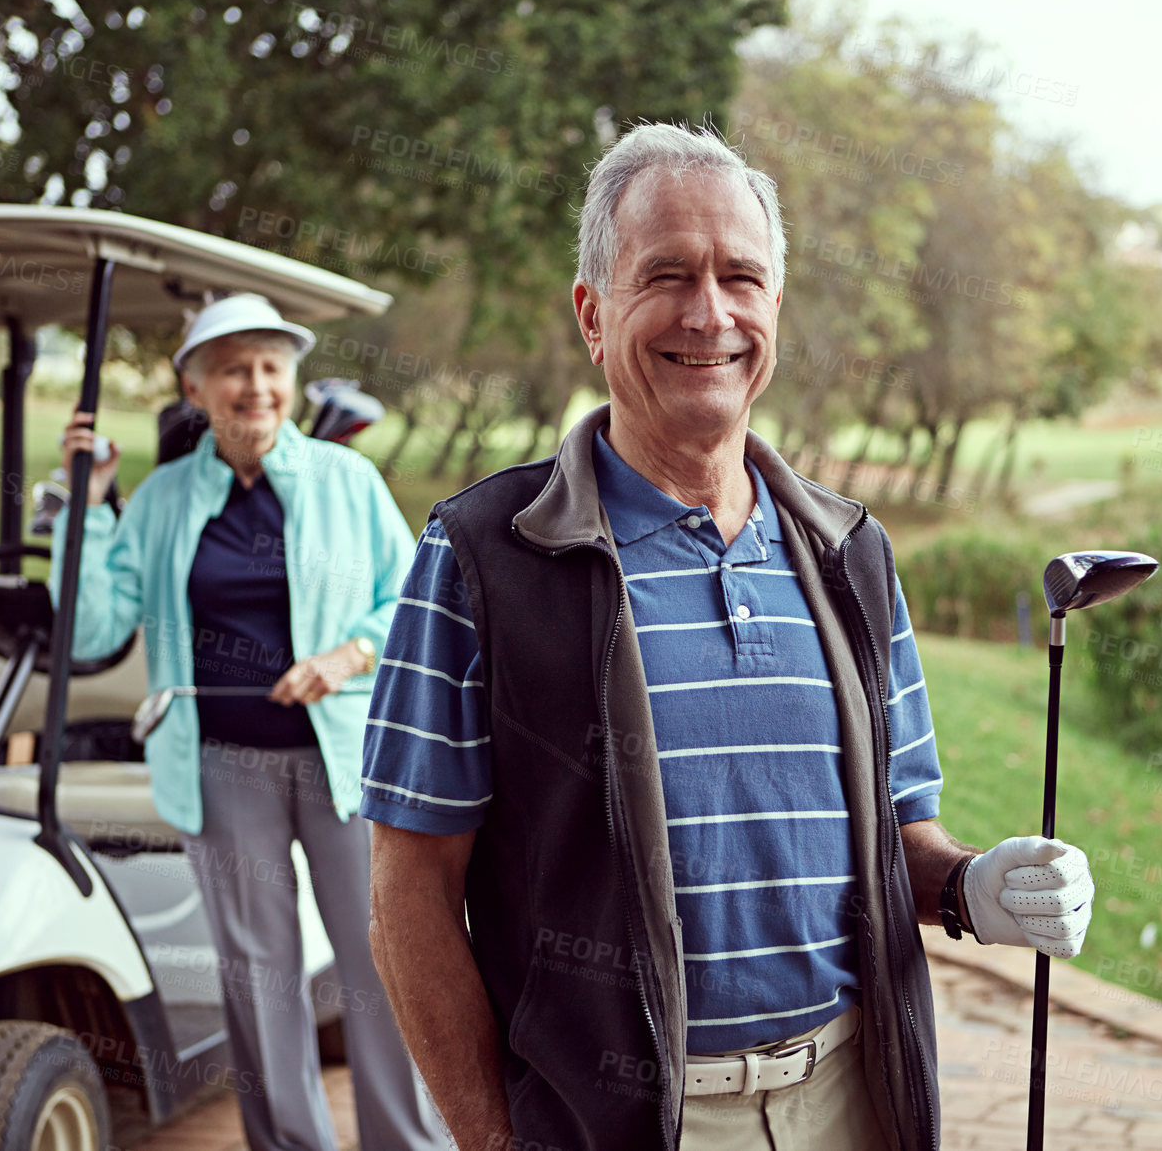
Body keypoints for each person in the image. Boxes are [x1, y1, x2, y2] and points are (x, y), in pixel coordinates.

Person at [361, 124, 1097, 1151]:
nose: (709, 312)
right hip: (621, 1120)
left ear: (775, 310)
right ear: (592, 312)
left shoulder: (852, 553)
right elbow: (409, 895)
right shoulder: (484, 555)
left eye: (740, 277)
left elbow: (894, 835)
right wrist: (493, 1140)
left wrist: (976, 885)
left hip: (853, 1098)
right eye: (665, 274)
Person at [54, 293, 448, 1151]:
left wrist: (344, 657)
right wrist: (85, 505)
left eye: (271, 368)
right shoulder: (160, 502)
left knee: (382, 966)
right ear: (195, 389)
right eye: (233, 370)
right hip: (222, 765)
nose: (256, 387)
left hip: (346, 759)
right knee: (260, 978)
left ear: (291, 380)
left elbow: (416, 603)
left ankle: (405, 1144)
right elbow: (89, 630)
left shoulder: (347, 482)